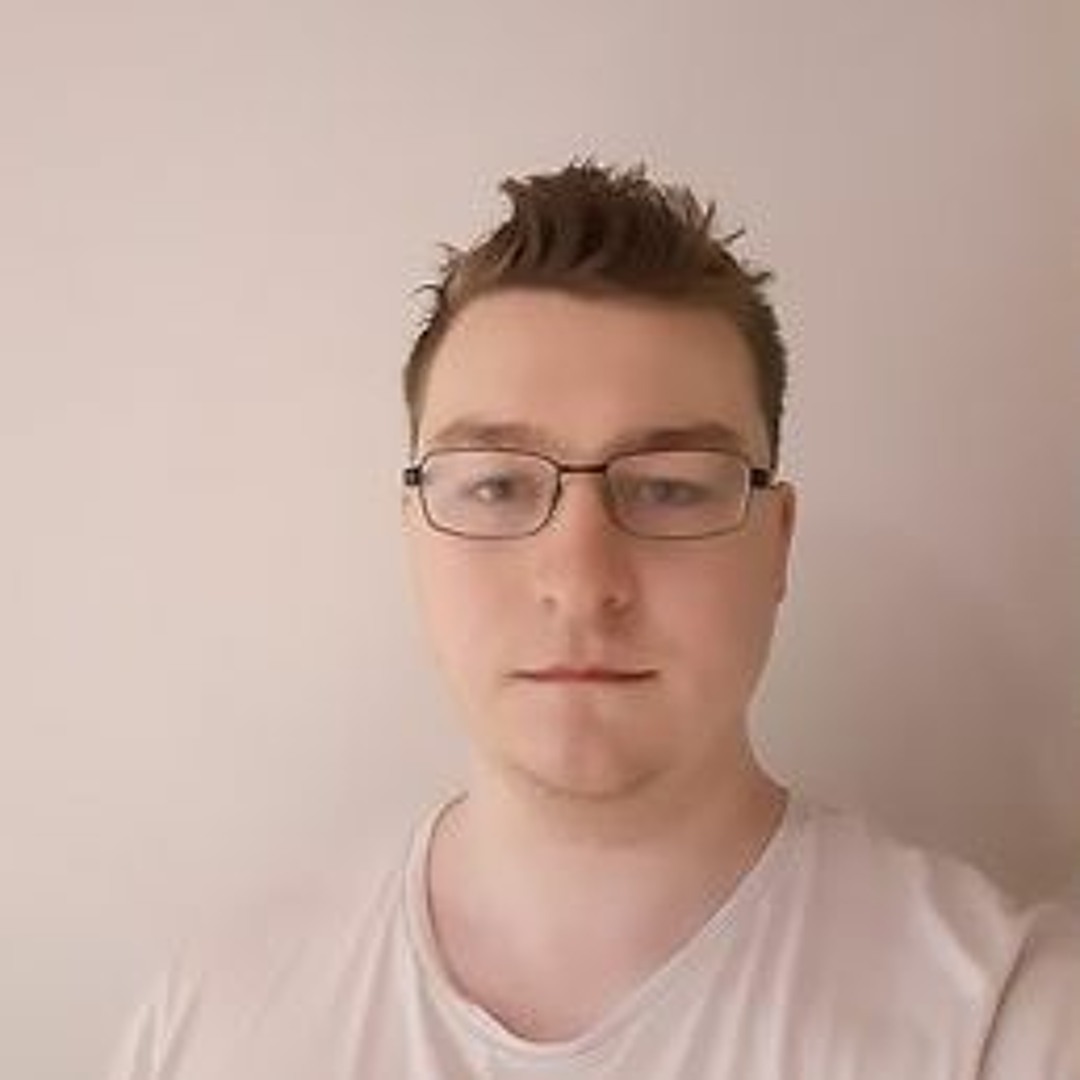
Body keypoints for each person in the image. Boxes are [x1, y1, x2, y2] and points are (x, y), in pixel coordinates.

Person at [108, 162, 1080, 1078]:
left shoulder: (1003, 1024)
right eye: (496, 485)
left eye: (669, 486)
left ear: (777, 543)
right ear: (414, 535)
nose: (580, 581)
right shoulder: (213, 1024)